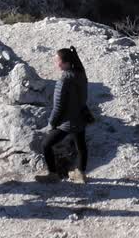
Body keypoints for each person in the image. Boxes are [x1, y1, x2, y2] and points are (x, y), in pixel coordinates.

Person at [36, 46, 90, 184]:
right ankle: (80, 173)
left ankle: (53, 174)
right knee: (81, 146)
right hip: (81, 117)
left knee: (46, 145)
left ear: (65, 63)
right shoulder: (81, 74)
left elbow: (58, 107)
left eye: (57, 60)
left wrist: (52, 123)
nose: (55, 63)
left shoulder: (63, 81)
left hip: (67, 122)